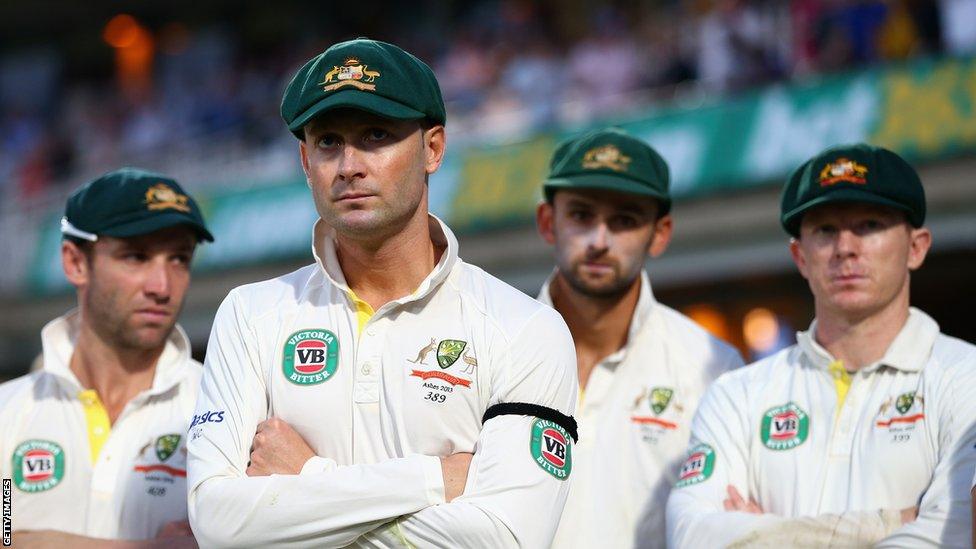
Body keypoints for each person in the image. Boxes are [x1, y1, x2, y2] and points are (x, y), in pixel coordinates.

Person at [186, 37, 578, 548]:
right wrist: (435, 479)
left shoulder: (525, 328)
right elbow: (219, 525)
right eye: (328, 142)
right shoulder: (250, 314)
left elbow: (505, 539)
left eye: (376, 135)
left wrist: (309, 477)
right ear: (305, 162)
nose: (349, 164)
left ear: (432, 148)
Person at [666, 143, 976, 547]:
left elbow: (954, 533)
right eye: (825, 230)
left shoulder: (966, 377)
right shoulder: (737, 394)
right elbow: (692, 537)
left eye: (869, 225)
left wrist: (767, 535)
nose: (846, 247)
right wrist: (888, 524)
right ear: (800, 256)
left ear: (916, 248)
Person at [534, 128, 743, 549]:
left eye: (624, 221)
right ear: (548, 222)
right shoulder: (490, 344)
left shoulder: (713, 366)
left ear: (660, 233)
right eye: (581, 215)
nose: (599, 240)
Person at [0, 168, 214, 547]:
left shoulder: (221, 408)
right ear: (75, 263)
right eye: (136, 256)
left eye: (179, 259)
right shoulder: (9, 413)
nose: (162, 287)